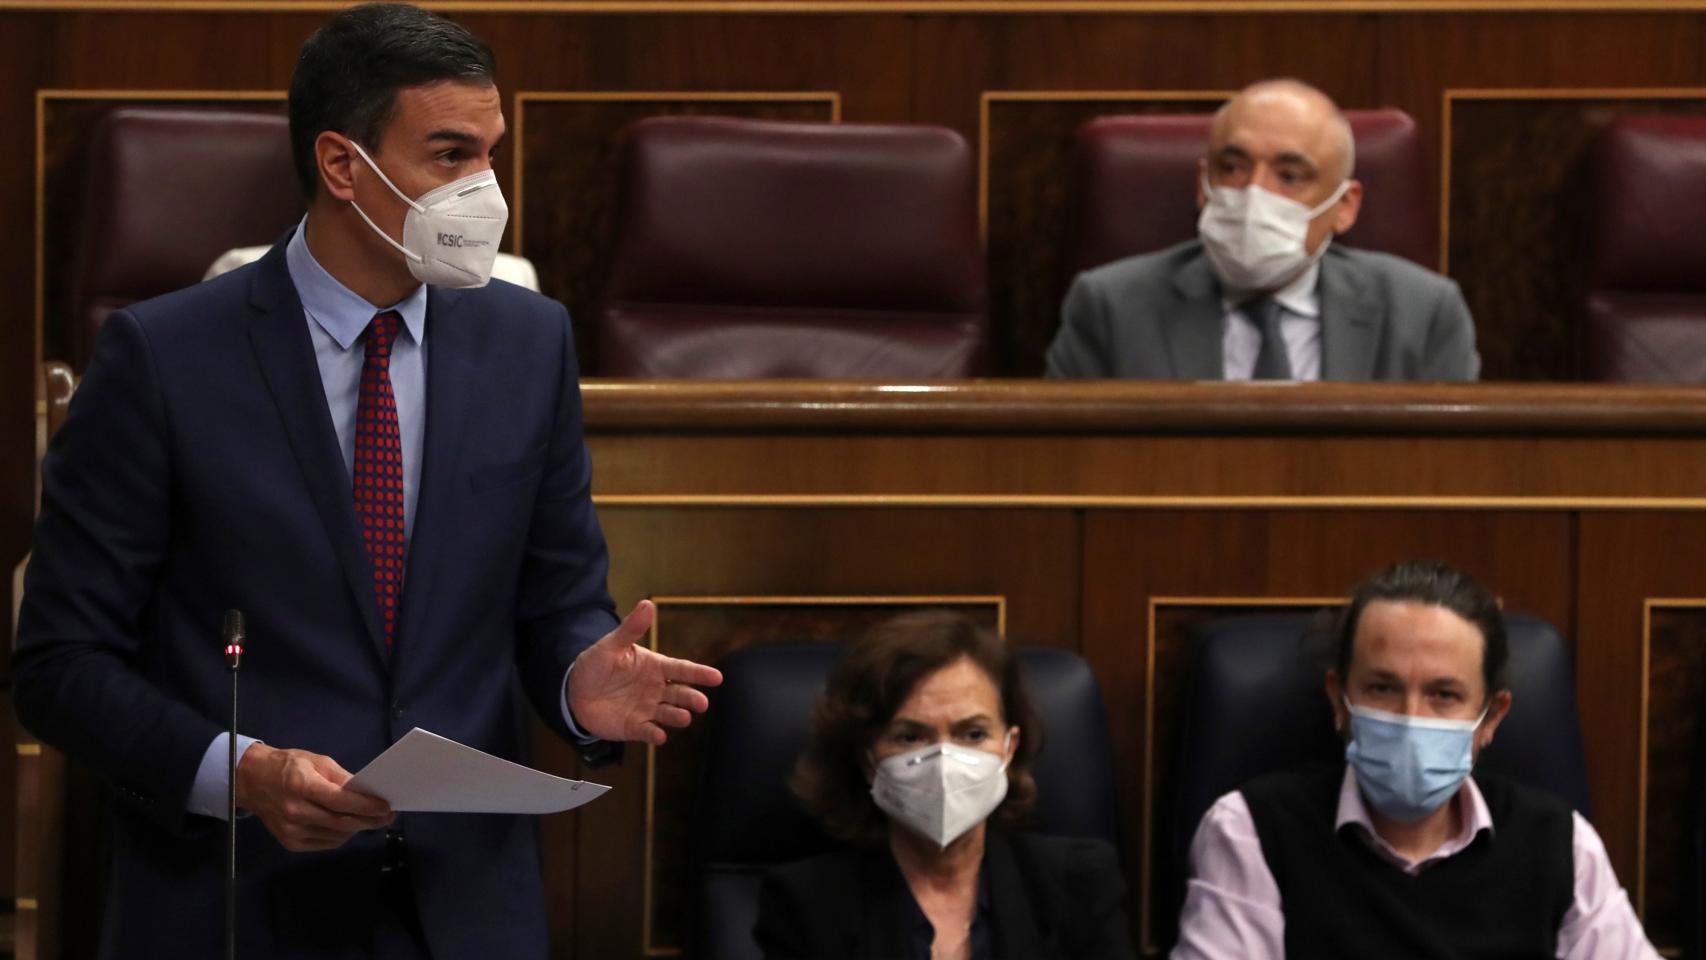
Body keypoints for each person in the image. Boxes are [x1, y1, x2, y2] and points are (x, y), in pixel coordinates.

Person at [12, 5, 721, 958]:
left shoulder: (531, 342)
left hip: (465, 908)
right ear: (343, 166)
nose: (486, 189)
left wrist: (574, 679)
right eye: (448, 154)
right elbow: (60, 665)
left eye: (491, 153)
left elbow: (557, 597)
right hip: (236, 900)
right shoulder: (163, 358)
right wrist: (243, 774)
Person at [1173, 560, 1659, 959]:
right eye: (1383, 688)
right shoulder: (1252, 831)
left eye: (1444, 694)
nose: (1410, 718)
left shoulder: (1561, 844)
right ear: (1340, 700)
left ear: (1491, 717)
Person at [754, 610, 1134, 960]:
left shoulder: (1078, 884)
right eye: (910, 736)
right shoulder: (807, 902)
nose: (943, 761)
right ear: (867, 759)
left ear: (1008, 748)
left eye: (972, 733)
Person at [1046, 79, 1479, 382]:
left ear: (1344, 208)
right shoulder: (1109, 308)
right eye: (1231, 168)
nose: (1253, 193)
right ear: (1203, 186)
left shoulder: (1424, 315)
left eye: (1289, 176)